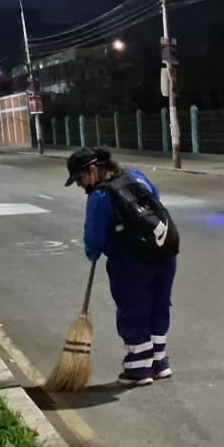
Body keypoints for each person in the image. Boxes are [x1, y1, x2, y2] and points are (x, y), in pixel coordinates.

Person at [66, 147, 177, 386]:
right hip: (165, 252)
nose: (80, 185)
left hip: (132, 261)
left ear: (92, 170)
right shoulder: (135, 175)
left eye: (80, 179)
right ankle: (159, 363)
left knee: (133, 310)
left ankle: (139, 368)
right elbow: (154, 197)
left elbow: (94, 240)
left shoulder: (100, 196)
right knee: (159, 306)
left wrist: (94, 252)